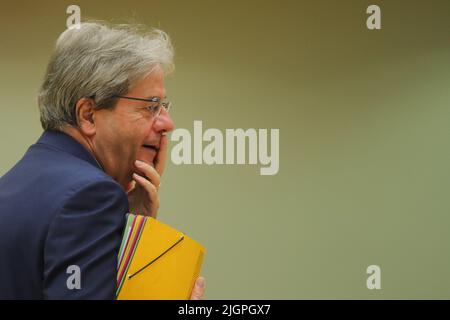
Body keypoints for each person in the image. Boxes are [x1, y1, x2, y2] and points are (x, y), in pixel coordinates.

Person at [0, 21, 205, 299]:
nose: (167, 124)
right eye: (150, 107)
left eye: (164, 107)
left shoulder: (14, 184)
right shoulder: (91, 196)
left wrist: (133, 230)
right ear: (88, 114)